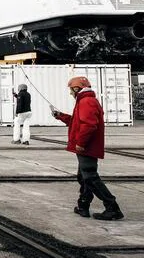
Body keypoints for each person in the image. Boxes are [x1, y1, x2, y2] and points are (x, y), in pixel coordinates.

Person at [52, 76, 124, 220]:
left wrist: (81, 143)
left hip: (86, 147)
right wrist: (60, 116)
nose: (70, 93)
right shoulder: (85, 101)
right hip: (85, 147)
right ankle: (83, 206)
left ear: (77, 88)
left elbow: (89, 125)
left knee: (90, 177)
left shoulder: (86, 102)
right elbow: (77, 122)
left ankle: (112, 208)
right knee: (83, 177)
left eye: (71, 89)